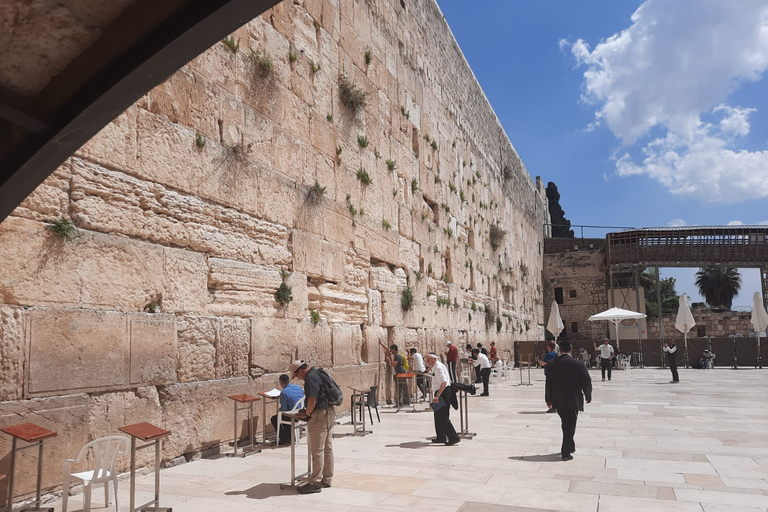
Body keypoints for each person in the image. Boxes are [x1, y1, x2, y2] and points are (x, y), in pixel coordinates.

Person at [289, 360, 335, 493]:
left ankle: (315, 482)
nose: (298, 378)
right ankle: (327, 479)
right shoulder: (318, 373)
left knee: (317, 450)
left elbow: (312, 400)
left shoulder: (311, 378)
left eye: (297, 375)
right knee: (327, 447)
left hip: (319, 415)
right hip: (329, 411)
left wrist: (307, 413)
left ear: (300, 371)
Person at [545, 341, 592, 461]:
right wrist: (588, 395)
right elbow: (586, 381)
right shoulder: (578, 364)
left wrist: (548, 399)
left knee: (566, 423)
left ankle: (570, 445)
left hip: (558, 399)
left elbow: (548, 383)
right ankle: (565, 452)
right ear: (571, 349)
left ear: (559, 349)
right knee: (570, 424)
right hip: (573, 399)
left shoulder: (551, 364)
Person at [425, 353, 460, 446]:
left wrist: (438, 395)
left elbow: (444, 382)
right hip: (440, 391)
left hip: (443, 392)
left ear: (434, 359)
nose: (427, 361)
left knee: (443, 416)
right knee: (437, 415)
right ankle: (441, 436)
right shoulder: (435, 367)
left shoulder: (438, 367)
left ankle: (454, 437)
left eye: (428, 359)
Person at [270, 374, 305, 445]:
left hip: (293, 416)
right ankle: (291, 436)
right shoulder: (298, 387)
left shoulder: (284, 393)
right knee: (285, 415)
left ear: (281, 383)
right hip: (302, 413)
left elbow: (284, 409)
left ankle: (285, 439)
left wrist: (279, 410)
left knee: (275, 418)